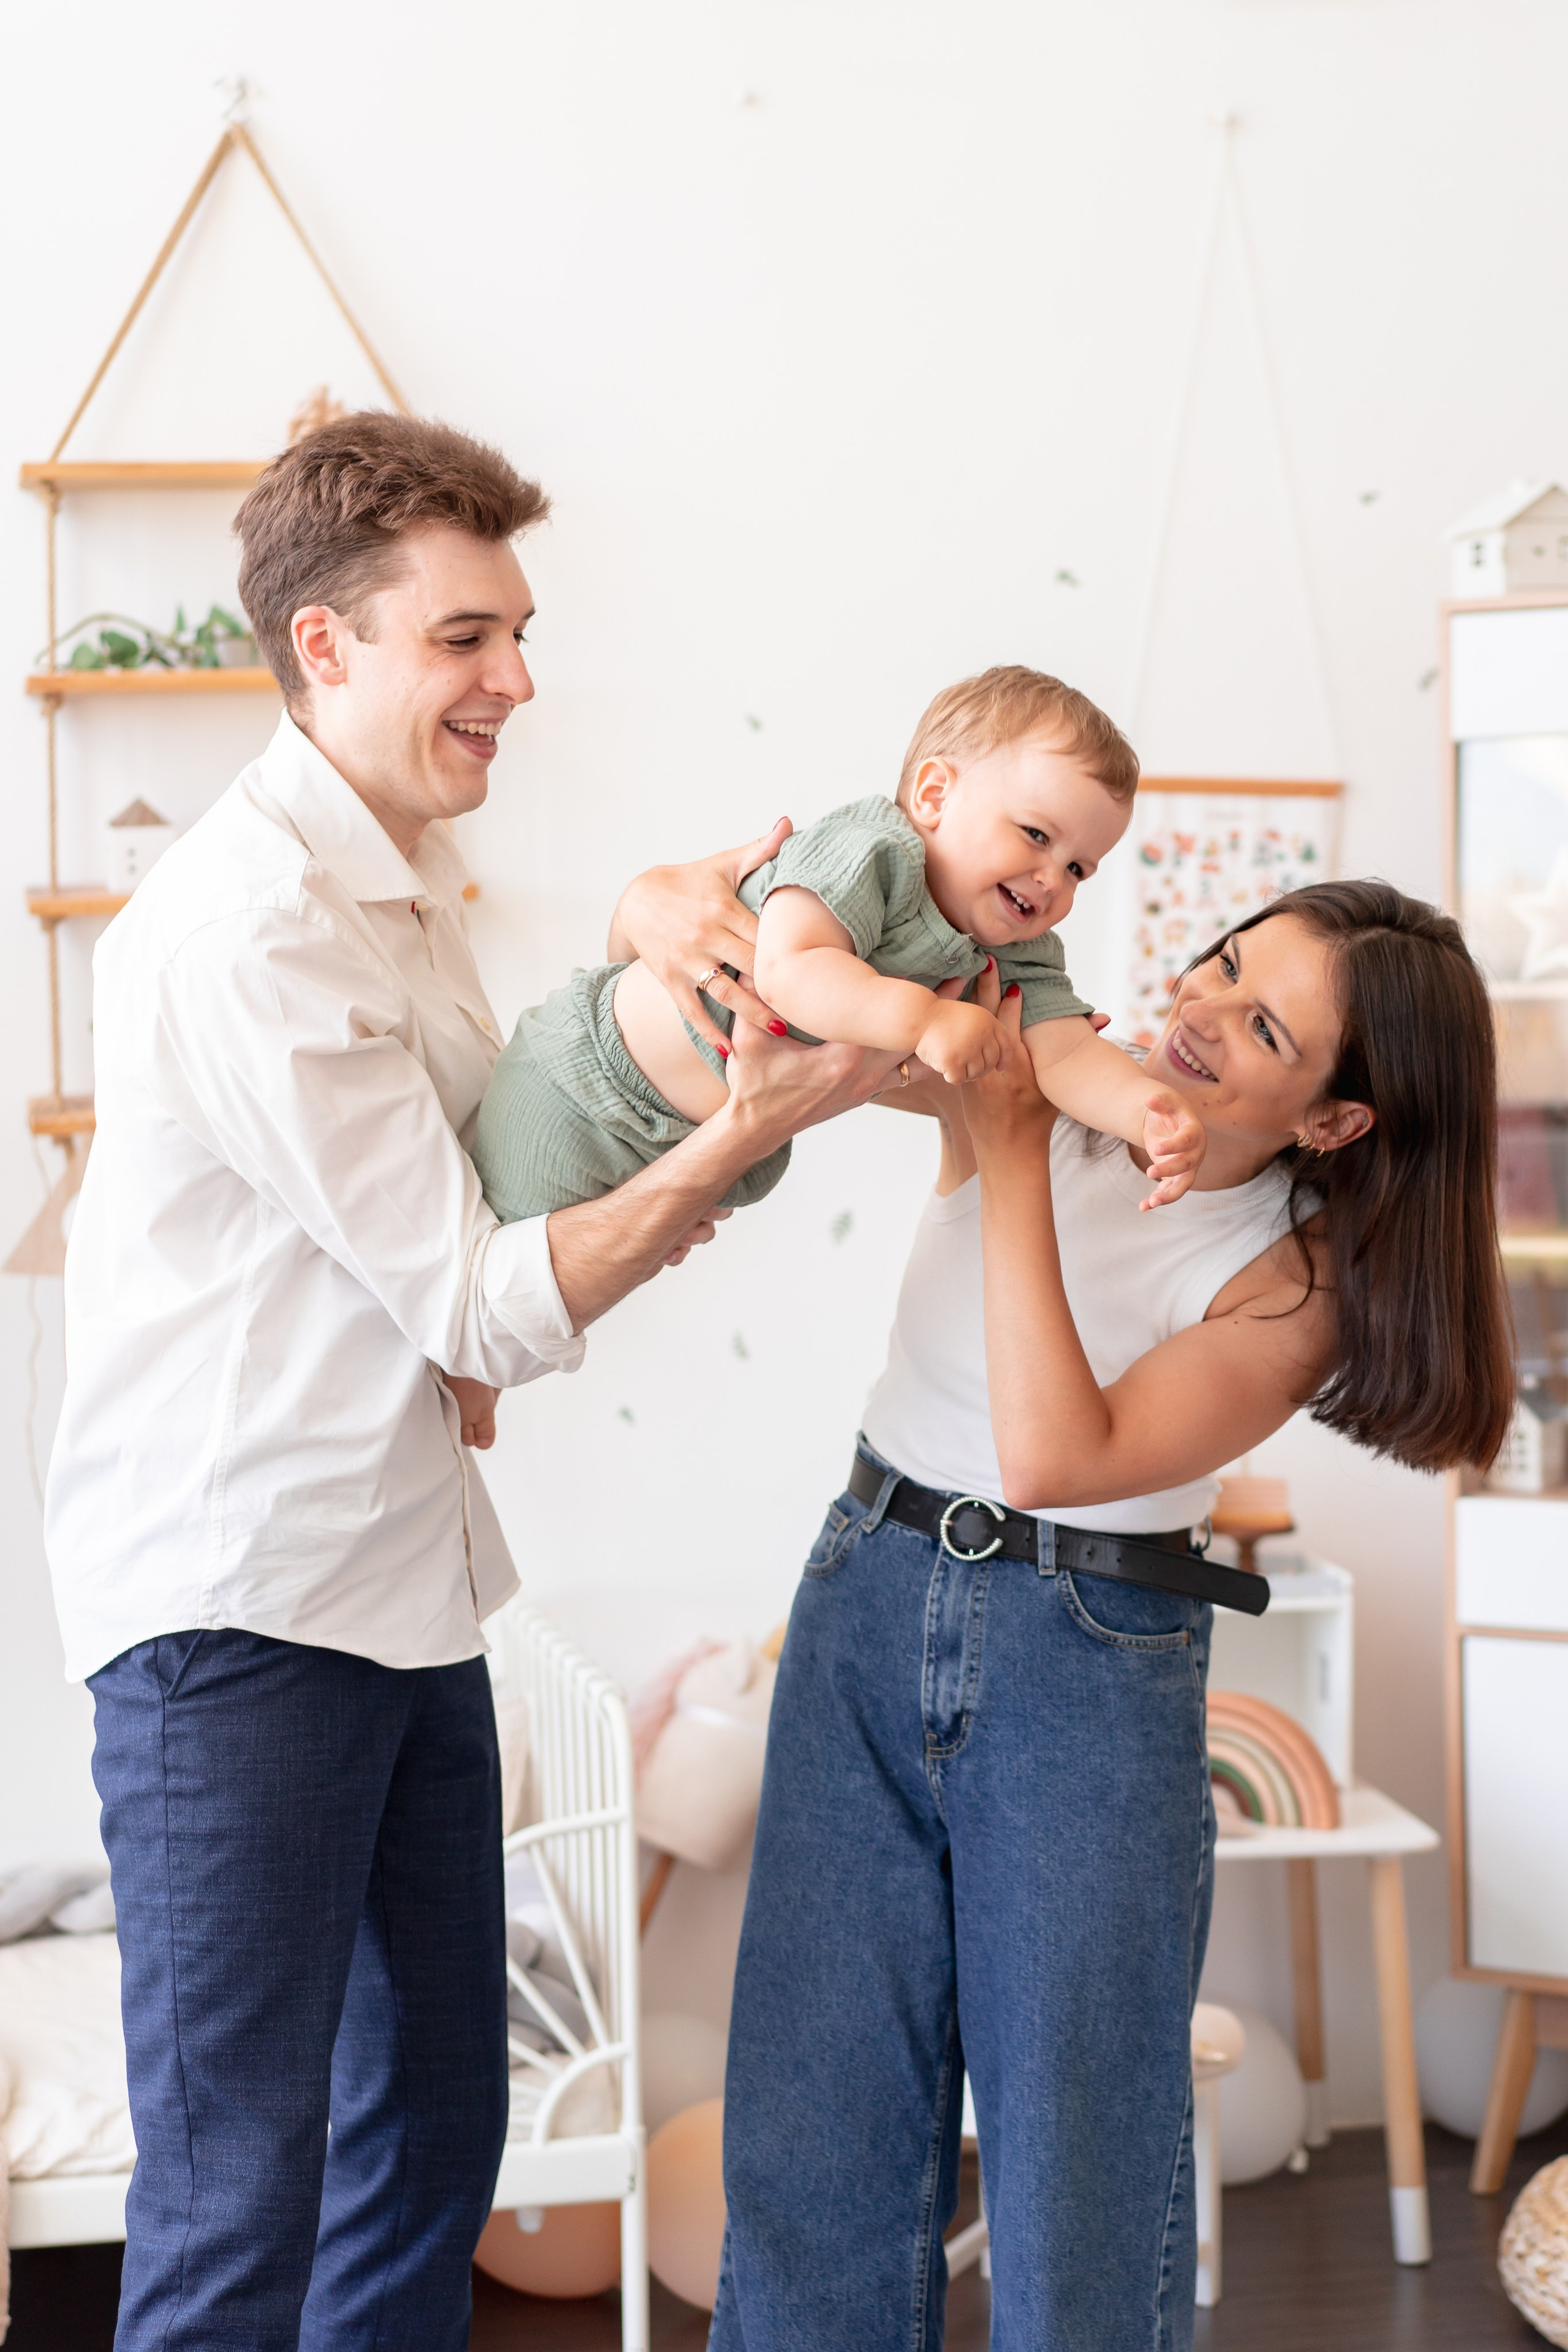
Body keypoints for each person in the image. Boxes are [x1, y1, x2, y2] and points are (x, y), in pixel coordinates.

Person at [43, 410, 897, 2352]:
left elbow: (473, 1185)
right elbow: (472, 1294)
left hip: (399, 1589)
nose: (518, 677)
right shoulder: (252, 923)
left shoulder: (402, 889)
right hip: (233, 1609)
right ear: (324, 646)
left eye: (518, 630)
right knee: (236, 2178)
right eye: (466, 638)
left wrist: (630, 962)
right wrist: (741, 1127)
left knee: (436, 2115)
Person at [710, 881, 1513, 2352]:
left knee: (1075, 2164)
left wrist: (1009, 1148)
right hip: (868, 1583)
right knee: (809, 2132)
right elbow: (810, 1004)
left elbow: (1053, 1456)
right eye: (1218, 962)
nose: (1198, 1005)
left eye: (1262, 1022)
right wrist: (707, 916)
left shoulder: (1287, 1283)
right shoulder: (1057, 1063)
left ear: (1331, 1120)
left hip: (1077, 1660)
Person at [471, 667, 1206, 1223]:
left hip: (689, 1145)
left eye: (1079, 868)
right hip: (583, 1085)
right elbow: (790, 973)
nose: (1052, 880)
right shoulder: (870, 852)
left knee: (574, 1293)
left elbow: (1066, 1054)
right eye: (1036, 835)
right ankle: (466, 1380)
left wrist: (1147, 1110)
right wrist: (925, 1022)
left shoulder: (1015, 949)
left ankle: (478, 1383)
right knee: (503, 1257)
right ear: (933, 796)